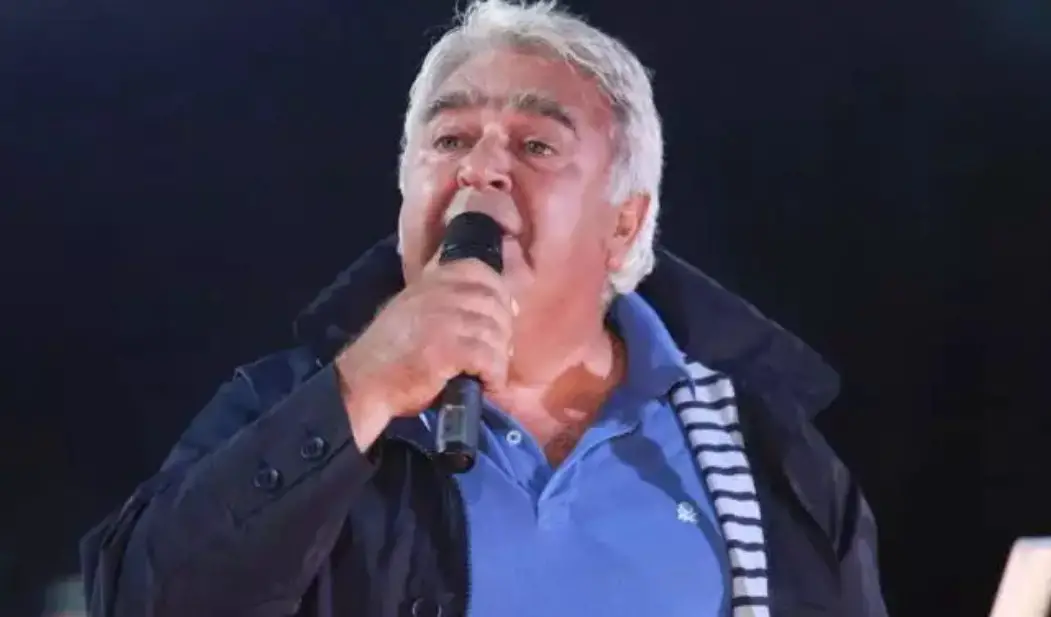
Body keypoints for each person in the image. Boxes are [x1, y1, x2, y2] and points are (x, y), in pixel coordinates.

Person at [80, 1, 888, 615]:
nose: (481, 168)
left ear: (623, 223)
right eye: (450, 139)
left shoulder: (766, 454)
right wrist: (361, 389)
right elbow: (141, 600)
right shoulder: (285, 407)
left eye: (535, 144)